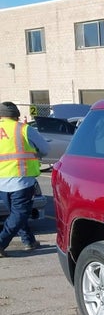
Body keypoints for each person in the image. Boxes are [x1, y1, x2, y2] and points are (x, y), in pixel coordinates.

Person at [0, 101, 50, 258]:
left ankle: (29, 241)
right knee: (20, 214)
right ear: (16, 115)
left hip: (2, 181)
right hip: (21, 179)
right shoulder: (23, 128)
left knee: (16, 214)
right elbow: (45, 149)